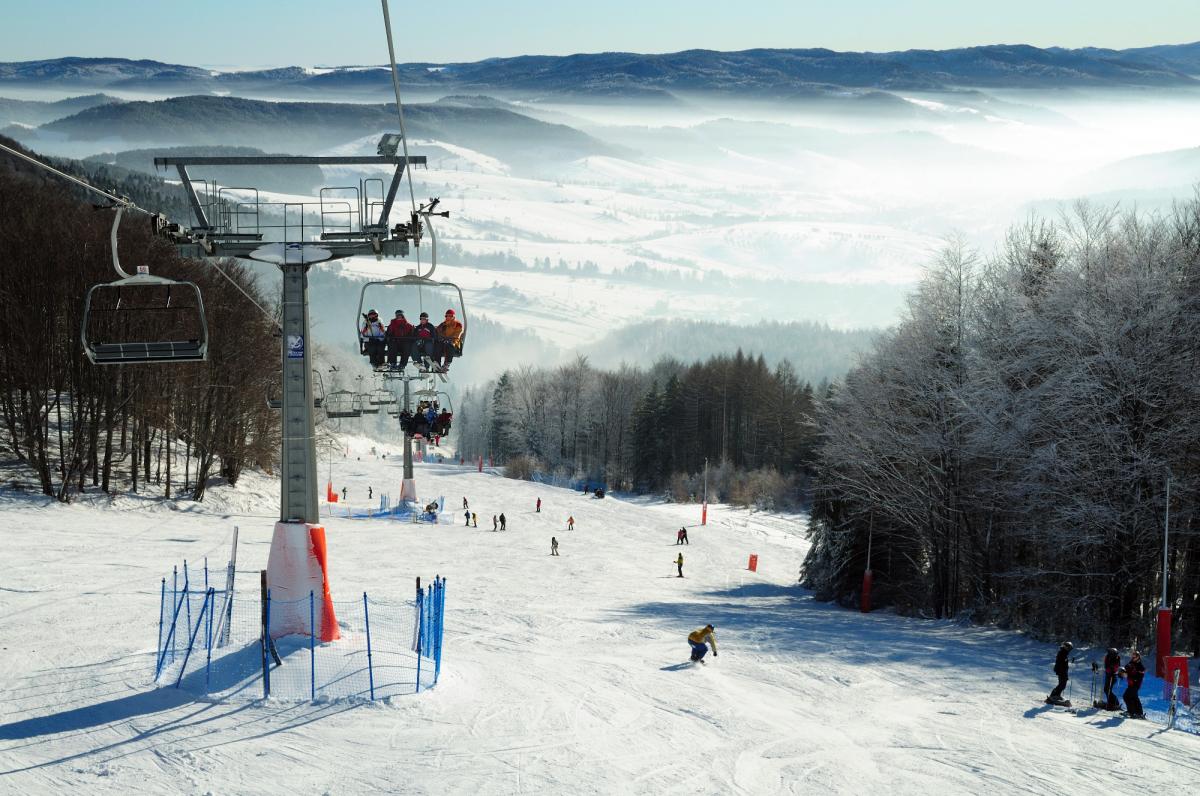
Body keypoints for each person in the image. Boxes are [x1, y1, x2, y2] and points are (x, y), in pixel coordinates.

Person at [1123, 650, 1146, 718]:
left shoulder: (1140, 666)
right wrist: (1123, 672)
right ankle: (1139, 713)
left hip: (1135, 684)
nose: (1133, 658)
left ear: (1138, 657)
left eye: (1134, 656)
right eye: (1132, 656)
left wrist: (1131, 675)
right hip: (1130, 683)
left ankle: (1131, 711)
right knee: (1134, 697)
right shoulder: (1131, 662)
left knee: (1126, 696)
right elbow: (1126, 668)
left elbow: (1139, 676)